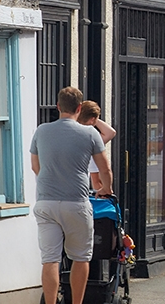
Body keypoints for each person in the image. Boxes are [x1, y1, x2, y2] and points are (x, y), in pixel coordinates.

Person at [30, 87, 113, 304]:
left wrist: (50, 180)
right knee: (80, 257)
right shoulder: (90, 133)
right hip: (76, 202)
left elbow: (35, 166)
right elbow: (104, 169)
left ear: (58, 107)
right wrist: (106, 188)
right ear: (79, 108)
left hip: (46, 202)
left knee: (50, 260)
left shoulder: (41, 131)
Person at [77, 100, 116, 194]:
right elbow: (110, 132)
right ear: (92, 119)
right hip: (80, 195)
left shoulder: (68, 132)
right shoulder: (92, 139)